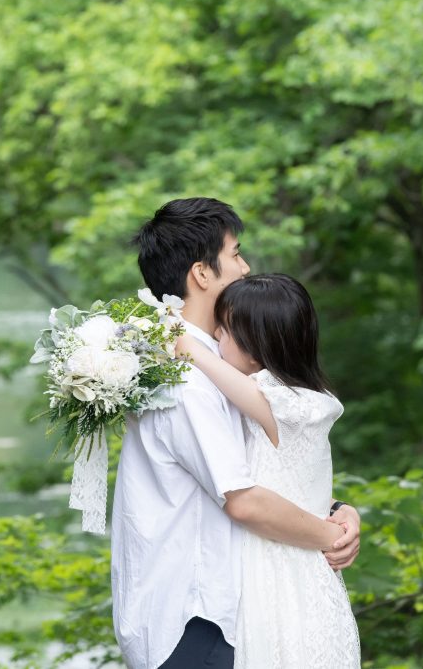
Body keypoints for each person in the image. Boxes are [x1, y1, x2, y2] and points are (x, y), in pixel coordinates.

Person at [112, 197, 361, 669]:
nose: (246, 268)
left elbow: (266, 465)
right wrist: (328, 535)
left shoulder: (218, 364)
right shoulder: (185, 378)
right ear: (201, 274)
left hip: (227, 611)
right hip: (195, 619)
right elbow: (244, 500)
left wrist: (333, 509)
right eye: (236, 254)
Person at [175, 273, 361, 668]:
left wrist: (188, 346)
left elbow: (218, 370)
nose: (216, 337)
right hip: (287, 558)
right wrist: (342, 509)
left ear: (255, 350)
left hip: (284, 569)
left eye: (224, 330)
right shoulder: (287, 402)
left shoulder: (290, 405)